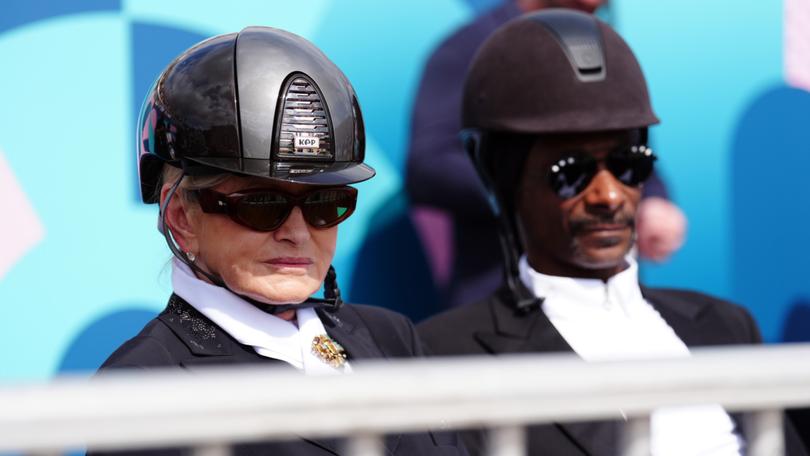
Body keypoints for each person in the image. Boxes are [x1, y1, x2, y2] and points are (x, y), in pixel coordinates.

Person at [416, 10, 806, 456]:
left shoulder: (728, 325)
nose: (609, 195)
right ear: (504, 180)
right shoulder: (446, 352)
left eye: (629, 164)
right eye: (571, 172)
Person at [96, 26, 467, 455]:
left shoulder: (394, 338)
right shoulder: (143, 388)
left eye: (325, 204)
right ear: (181, 216)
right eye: (262, 205)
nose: (296, 233)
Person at [405, 0, 686, 308]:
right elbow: (428, 165)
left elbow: (625, 149)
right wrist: (540, 186)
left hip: (611, 297)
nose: (606, 195)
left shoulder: (605, 44)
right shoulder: (471, 48)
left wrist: (654, 199)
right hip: (506, 299)